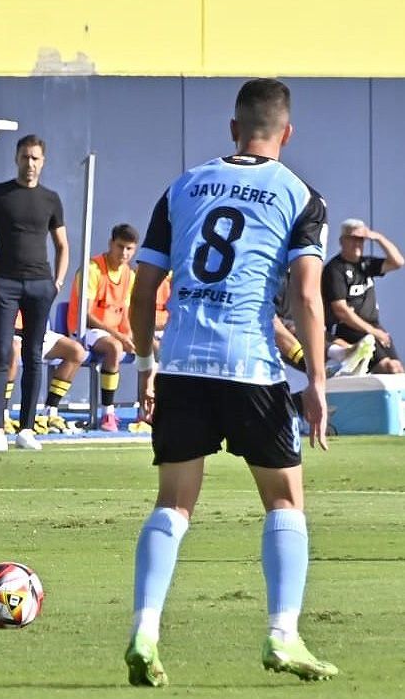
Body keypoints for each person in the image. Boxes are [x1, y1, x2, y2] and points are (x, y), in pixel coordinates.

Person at [125, 78, 337, 685]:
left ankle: (145, 628)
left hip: (183, 366)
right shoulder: (300, 195)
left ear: (232, 128)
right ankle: (283, 636)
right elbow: (305, 296)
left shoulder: (183, 186)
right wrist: (317, 381)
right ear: (287, 133)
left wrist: (146, 367)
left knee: (173, 504)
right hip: (250, 366)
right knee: (284, 500)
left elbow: (144, 292)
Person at [0, 134, 69, 450]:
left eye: (35, 158)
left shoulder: (51, 199)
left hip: (40, 285)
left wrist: (57, 282)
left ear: (43, 161)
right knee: (1, 353)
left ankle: (26, 429)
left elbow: (62, 245)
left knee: (33, 356)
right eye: (25, 157)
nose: (30, 164)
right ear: (16, 158)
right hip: (5, 284)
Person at [0, 257, 85, 442]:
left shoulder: (34, 269)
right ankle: (2, 416)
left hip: (24, 333)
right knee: (12, 347)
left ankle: (50, 412)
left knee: (76, 351)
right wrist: (18, 331)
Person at [66, 224, 139, 432]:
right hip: (85, 330)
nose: (124, 253)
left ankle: (146, 414)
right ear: (110, 244)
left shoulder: (129, 275)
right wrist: (120, 337)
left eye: (129, 249)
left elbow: (126, 312)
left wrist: (131, 337)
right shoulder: (93, 269)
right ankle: (108, 413)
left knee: (150, 350)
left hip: (113, 333)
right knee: (114, 347)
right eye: (120, 247)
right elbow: (86, 315)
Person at [322, 218, 404, 374]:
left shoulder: (365, 264)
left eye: (360, 240)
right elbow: (341, 310)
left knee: (398, 369)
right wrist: (372, 332)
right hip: (350, 330)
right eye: (352, 239)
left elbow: (398, 262)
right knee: (389, 368)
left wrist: (378, 237)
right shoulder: (335, 269)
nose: (357, 244)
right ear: (342, 241)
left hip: (373, 327)